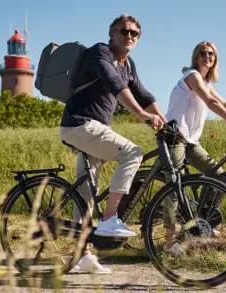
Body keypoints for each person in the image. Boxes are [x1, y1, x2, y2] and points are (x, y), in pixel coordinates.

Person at [58, 14, 167, 273]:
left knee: (85, 194)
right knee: (132, 152)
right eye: (124, 31)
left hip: (94, 130)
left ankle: (81, 256)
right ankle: (109, 219)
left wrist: (165, 120)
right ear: (112, 34)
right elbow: (114, 84)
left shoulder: (128, 64)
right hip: (79, 125)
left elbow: (143, 94)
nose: (129, 36)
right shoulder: (100, 53)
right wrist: (142, 116)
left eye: (134, 34)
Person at [162, 41, 226, 255]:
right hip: (174, 137)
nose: (207, 57)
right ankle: (168, 242)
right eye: (203, 53)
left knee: (219, 176)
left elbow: (224, 102)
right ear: (196, 57)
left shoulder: (205, 82)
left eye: (211, 54)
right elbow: (211, 103)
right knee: (174, 187)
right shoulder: (192, 76)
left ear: (215, 59)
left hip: (190, 141)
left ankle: (199, 223)